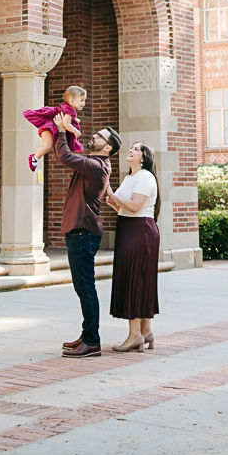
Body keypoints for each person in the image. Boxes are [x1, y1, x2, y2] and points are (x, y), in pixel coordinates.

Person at [52, 112, 122, 359]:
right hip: (80, 231)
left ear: (108, 147)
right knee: (83, 287)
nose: (95, 135)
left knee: (86, 288)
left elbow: (64, 156)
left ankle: (92, 342)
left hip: (83, 232)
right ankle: (87, 334)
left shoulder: (98, 166)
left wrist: (60, 130)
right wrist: (69, 131)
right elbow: (73, 151)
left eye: (100, 136)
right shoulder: (95, 164)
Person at [105, 140, 160, 352]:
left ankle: (134, 335)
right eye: (132, 147)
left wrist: (111, 193)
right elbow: (125, 204)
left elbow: (136, 206)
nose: (131, 150)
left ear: (144, 158)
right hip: (130, 228)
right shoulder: (131, 177)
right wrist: (115, 202)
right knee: (140, 279)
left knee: (135, 279)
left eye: (136, 149)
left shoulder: (145, 176)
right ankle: (146, 331)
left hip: (140, 230)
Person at [23, 85, 86, 171]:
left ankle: (35, 158)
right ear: (72, 100)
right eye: (81, 100)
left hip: (49, 127)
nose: (84, 103)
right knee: (47, 146)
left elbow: (67, 118)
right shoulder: (70, 111)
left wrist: (75, 120)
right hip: (49, 128)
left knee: (48, 146)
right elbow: (66, 124)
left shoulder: (67, 108)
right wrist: (75, 131)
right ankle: (34, 158)